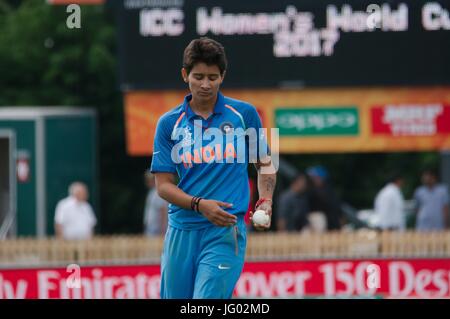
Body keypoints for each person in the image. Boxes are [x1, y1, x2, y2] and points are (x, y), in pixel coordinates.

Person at [150, 37, 276, 299]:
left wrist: (265, 201)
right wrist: (199, 204)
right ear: (185, 75)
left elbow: (264, 164)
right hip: (181, 230)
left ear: (222, 77)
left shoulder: (244, 114)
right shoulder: (168, 123)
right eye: (198, 77)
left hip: (225, 230)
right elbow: (163, 186)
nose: (205, 84)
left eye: (212, 77)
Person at [307, 165, 343, 231]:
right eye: (313, 178)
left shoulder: (330, 192)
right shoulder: (310, 192)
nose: (313, 180)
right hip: (318, 228)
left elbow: (338, 212)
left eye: (316, 177)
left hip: (332, 227)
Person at [143, 171, 168, 236]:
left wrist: (162, 229)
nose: (148, 182)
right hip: (151, 227)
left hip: (157, 229)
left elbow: (163, 210)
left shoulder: (158, 192)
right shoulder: (152, 192)